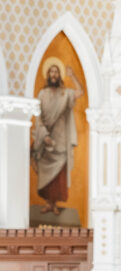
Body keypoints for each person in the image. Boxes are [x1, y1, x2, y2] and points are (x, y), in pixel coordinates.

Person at [31, 58, 83, 215]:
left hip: (61, 139)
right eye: (51, 72)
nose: (53, 75)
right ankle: (48, 203)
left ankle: (54, 204)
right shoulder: (42, 93)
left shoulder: (64, 93)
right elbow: (38, 117)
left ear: (59, 75)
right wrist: (44, 135)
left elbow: (80, 92)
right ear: (47, 75)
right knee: (43, 170)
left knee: (59, 175)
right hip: (45, 138)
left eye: (56, 72)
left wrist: (72, 75)